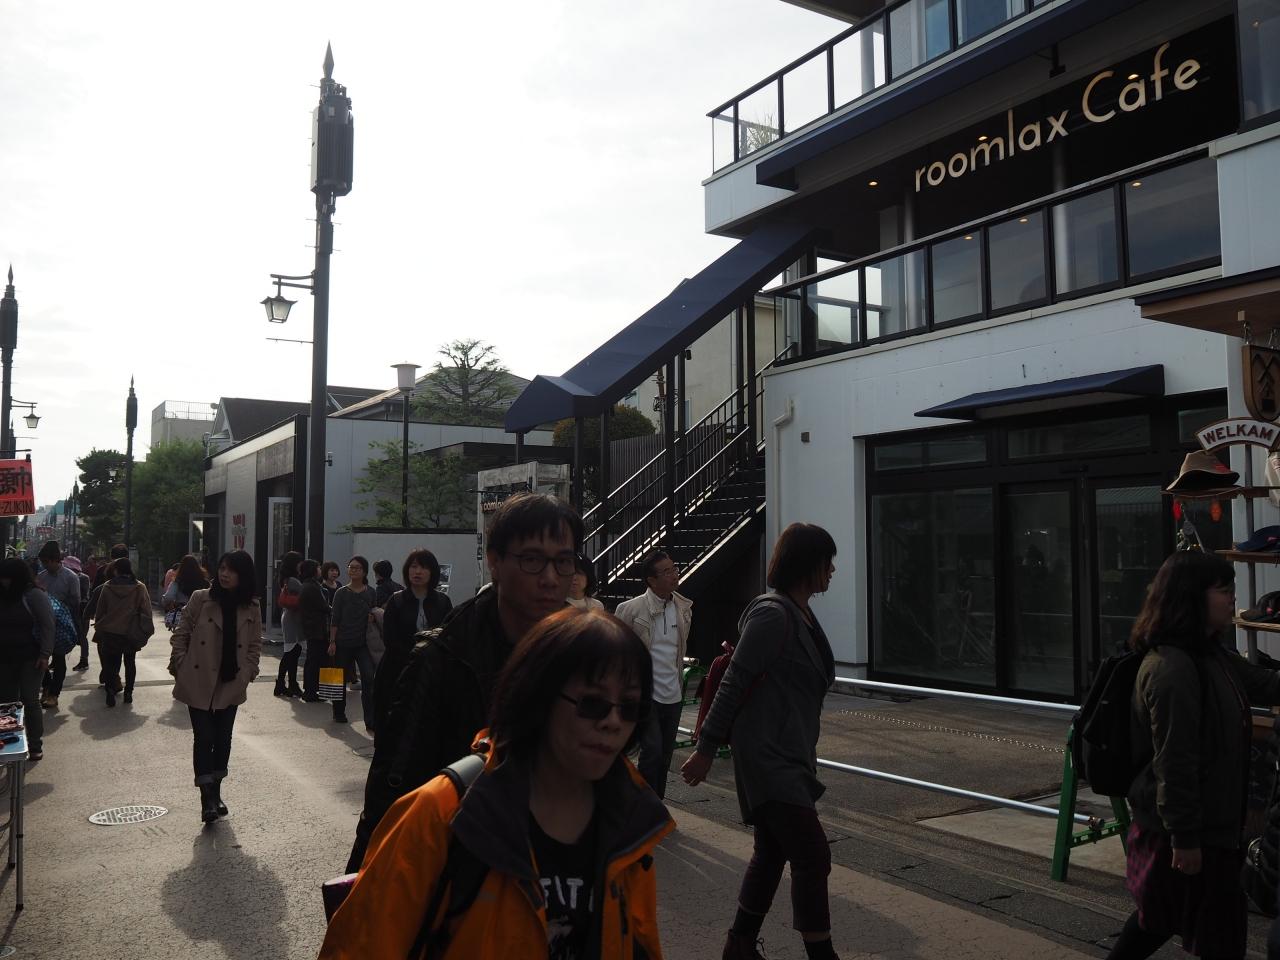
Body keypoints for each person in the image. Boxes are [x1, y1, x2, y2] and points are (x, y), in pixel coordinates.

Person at [321, 607, 672, 960]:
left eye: (630, 707)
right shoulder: (444, 813)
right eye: (593, 703)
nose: (614, 721)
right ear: (540, 695)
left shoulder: (631, 823)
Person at [345, 492, 582, 873]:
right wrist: (364, 876)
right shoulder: (442, 659)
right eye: (532, 560)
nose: (551, 578)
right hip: (459, 866)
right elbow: (394, 785)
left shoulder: (585, 654)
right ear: (495, 561)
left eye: (564, 561)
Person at [1104, 551, 1280, 960]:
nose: (1233, 598)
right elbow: (1175, 763)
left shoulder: (1211, 655)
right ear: (1191, 597)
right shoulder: (1173, 669)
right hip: (1186, 834)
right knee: (1192, 928)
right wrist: (1184, 840)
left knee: (1161, 921)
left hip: (1210, 829)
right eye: (1223, 590)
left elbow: (1267, 683)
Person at [682, 522, 839, 960]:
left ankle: (739, 944)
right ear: (807, 565)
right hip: (768, 757)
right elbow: (734, 682)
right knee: (812, 855)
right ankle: (821, 955)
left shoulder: (802, 614)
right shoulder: (772, 613)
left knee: (771, 852)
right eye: (827, 561)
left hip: (792, 753)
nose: (832, 570)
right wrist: (705, 749)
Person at [168, 550, 262, 823]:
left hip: (231, 681)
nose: (224, 574)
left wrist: (248, 672)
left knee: (223, 739)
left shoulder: (251, 606)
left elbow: (255, 645)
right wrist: (182, 664)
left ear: (243, 575)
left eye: (231, 570)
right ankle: (206, 798)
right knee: (204, 737)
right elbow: (181, 634)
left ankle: (216, 791)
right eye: (222, 568)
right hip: (198, 679)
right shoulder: (201, 598)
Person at [614, 548, 693, 799]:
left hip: (674, 693)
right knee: (652, 751)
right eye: (666, 572)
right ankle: (644, 806)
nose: (674, 575)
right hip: (646, 694)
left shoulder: (683, 607)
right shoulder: (630, 609)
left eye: (674, 569)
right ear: (651, 580)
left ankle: (657, 804)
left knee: (665, 755)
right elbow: (618, 650)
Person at [374, 548, 453, 735]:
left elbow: (448, 636)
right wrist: (412, 658)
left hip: (432, 670)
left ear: (432, 572)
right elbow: (390, 638)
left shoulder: (443, 601)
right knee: (394, 723)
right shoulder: (397, 600)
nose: (418, 571)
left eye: (424, 567)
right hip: (397, 669)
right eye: (414, 566)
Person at [0, 558, 53, 762]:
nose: (4, 581)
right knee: (7, 703)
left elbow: (48, 625)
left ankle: (35, 744)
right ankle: (10, 744)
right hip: (5, 658)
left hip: (31, 658)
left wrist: (45, 654)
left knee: (30, 701)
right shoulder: (3, 595)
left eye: (7, 577)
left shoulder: (34, 595)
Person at [90, 557, 154, 708]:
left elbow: (100, 610)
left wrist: (100, 625)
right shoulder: (139, 587)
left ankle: (110, 691)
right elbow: (146, 610)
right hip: (130, 632)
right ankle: (128, 693)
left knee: (112, 663)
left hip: (110, 631)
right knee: (130, 662)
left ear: (116, 570)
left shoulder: (107, 586)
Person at [329, 556, 378, 727]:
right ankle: (338, 712)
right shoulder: (341, 593)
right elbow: (335, 619)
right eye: (351, 567)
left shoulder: (371, 592)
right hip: (343, 642)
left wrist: (373, 617)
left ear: (364, 571)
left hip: (363, 643)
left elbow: (375, 611)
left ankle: (370, 718)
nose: (353, 570)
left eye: (357, 568)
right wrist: (332, 641)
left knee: (368, 677)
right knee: (338, 679)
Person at [36, 540, 80, 709]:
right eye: (43, 562)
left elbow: (76, 601)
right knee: (41, 656)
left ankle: (54, 694)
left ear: (56, 560)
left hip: (62, 623)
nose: (45, 565)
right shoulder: (41, 577)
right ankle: (47, 687)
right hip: (42, 623)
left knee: (59, 658)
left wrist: (59, 607)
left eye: (47, 562)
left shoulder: (71, 577)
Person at [297, 559, 329, 702]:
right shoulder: (311, 587)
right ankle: (311, 690)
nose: (320, 570)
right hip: (316, 628)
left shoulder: (309, 585)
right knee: (315, 660)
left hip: (314, 627)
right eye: (318, 567)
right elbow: (323, 606)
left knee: (315, 660)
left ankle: (313, 690)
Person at [274, 551, 304, 698]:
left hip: (290, 617)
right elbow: (303, 596)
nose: (301, 565)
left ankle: (289, 684)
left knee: (293, 652)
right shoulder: (292, 580)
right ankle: (283, 683)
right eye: (299, 562)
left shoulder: (286, 579)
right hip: (293, 618)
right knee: (291, 652)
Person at [163, 555, 210, 624]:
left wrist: (168, 603)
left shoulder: (177, 582)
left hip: (182, 615)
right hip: (200, 615)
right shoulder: (205, 582)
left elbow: (169, 597)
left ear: (181, 568)